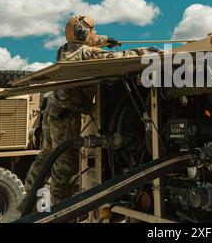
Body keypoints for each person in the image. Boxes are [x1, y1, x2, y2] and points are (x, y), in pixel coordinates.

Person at [19, 15, 156, 211]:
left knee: (46, 157)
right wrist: (145, 51)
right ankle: (60, 212)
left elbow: (93, 41)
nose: (95, 34)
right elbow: (116, 58)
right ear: (83, 32)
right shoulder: (84, 52)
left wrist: (108, 40)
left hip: (53, 111)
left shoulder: (67, 49)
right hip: (66, 117)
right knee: (64, 167)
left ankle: (28, 203)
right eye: (93, 30)